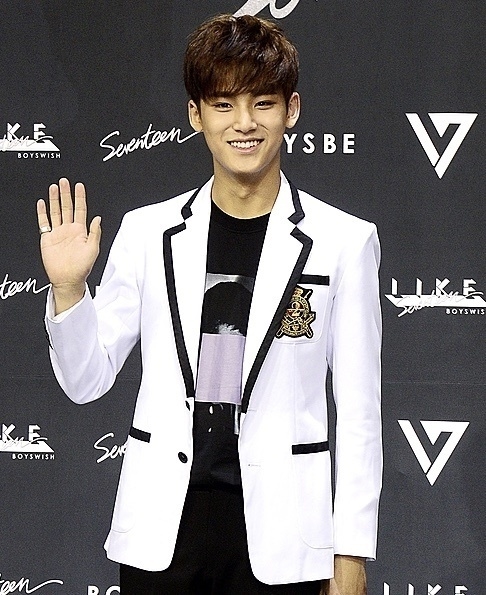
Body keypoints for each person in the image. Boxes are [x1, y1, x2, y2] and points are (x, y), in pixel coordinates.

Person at [37, 14, 382, 595]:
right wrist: (70, 291)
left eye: (263, 103)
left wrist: (350, 551)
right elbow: (86, 380)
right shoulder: (147, 232)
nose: (244, 123)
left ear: (291, 110)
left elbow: (359, 414)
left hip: (284, 537)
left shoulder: (344, 241)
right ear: (196, 115)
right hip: (163, 533)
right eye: (224, 105)